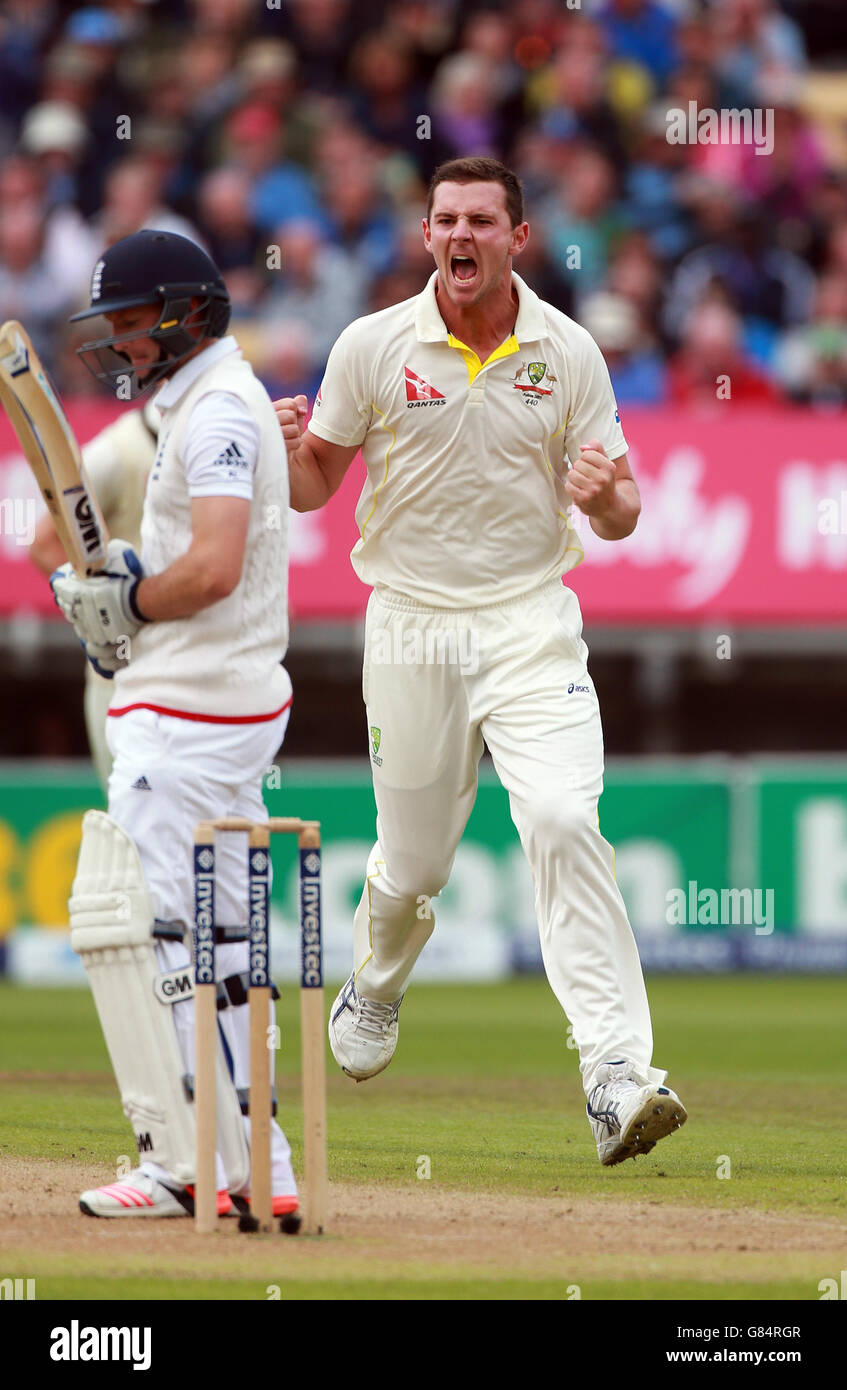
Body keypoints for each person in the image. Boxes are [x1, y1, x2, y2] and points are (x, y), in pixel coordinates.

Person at [276, 156, 687, 1167]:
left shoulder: (568, 351)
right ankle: (374, 983)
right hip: (410, 625)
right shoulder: (372, 344)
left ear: (517, 236)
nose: (458, 236)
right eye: (443, 220)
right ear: (426, 236)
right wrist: (286, 448)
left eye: (478, 221)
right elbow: (310, 487)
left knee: (558, 816)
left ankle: (615, 1074)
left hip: (527, 622)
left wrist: (601, 497)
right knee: (413, 864)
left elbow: (624, 505)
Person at [49, 229, 299, 1217]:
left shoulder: (219, 410)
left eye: (125, 319)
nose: (114, 338)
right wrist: (123, 595)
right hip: (206, 702)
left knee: (162, 941)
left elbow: (217, 564)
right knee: (222, 948)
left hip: (186, 711)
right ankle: (261, 1171)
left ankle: (192, 1164)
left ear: (180, 313)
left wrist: (132, 606)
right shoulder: (202, 402)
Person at [30, 401, 158, 791]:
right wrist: (107, 605)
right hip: (122, 679)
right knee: (134, 819)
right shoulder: (118, 452)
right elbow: (45, 543)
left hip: (189, 670)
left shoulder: (211, 437)